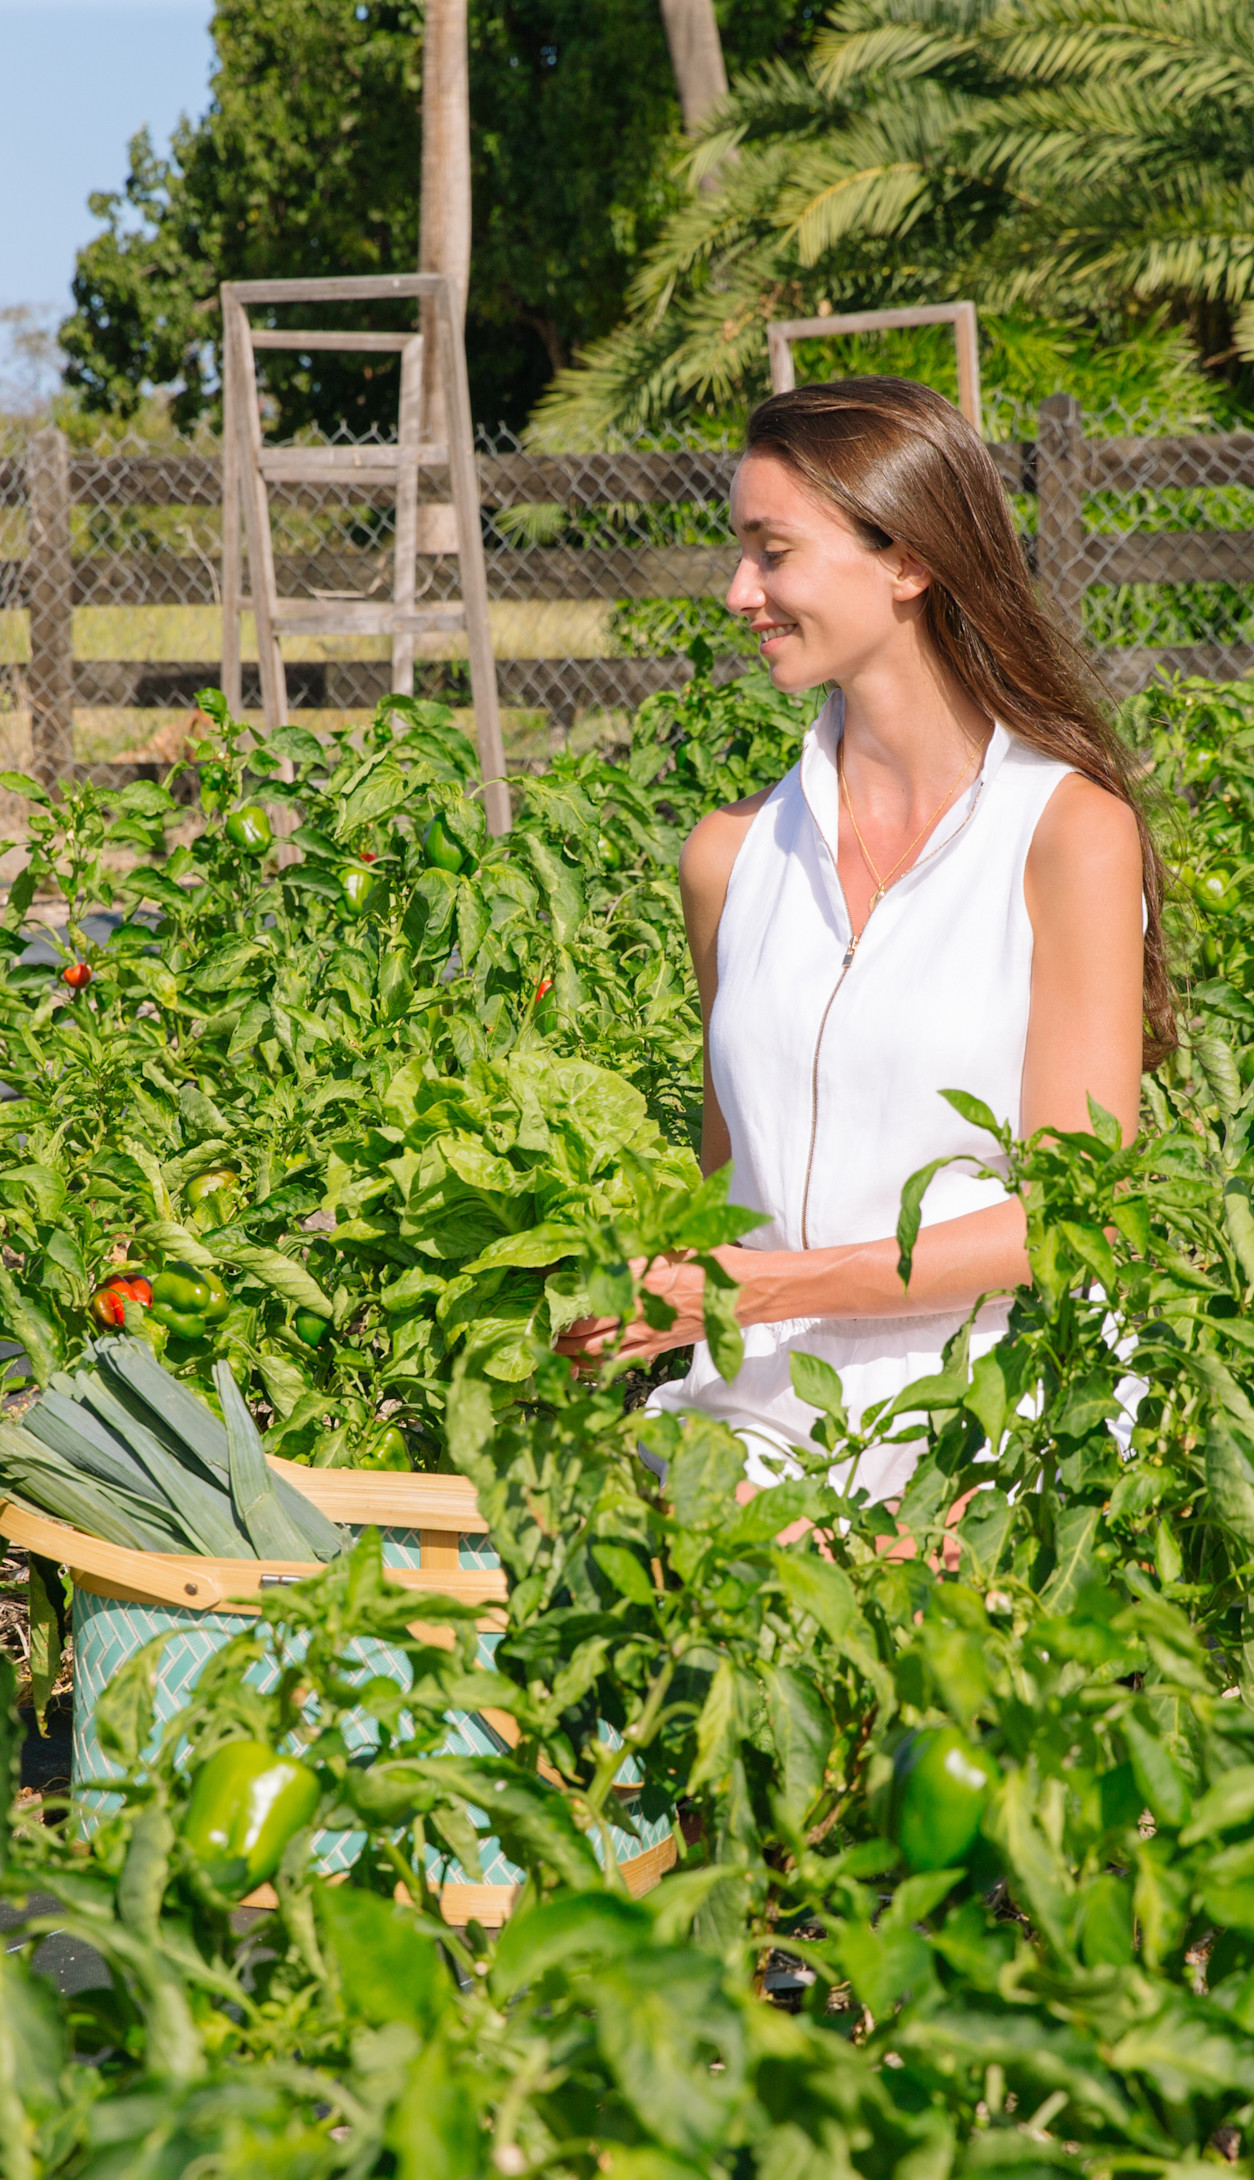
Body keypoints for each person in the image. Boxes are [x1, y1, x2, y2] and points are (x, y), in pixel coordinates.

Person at [558, 377, 1171, 1499]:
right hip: (757, 1426)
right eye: (741, 552)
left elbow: (1073, 1218)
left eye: (774, 552)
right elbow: (732, 1195)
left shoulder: (1067, 834)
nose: (740, 591)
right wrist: (629, 1291)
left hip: (997, 1432)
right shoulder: (730, 858)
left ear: (908, 561)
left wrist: (761, 1289)